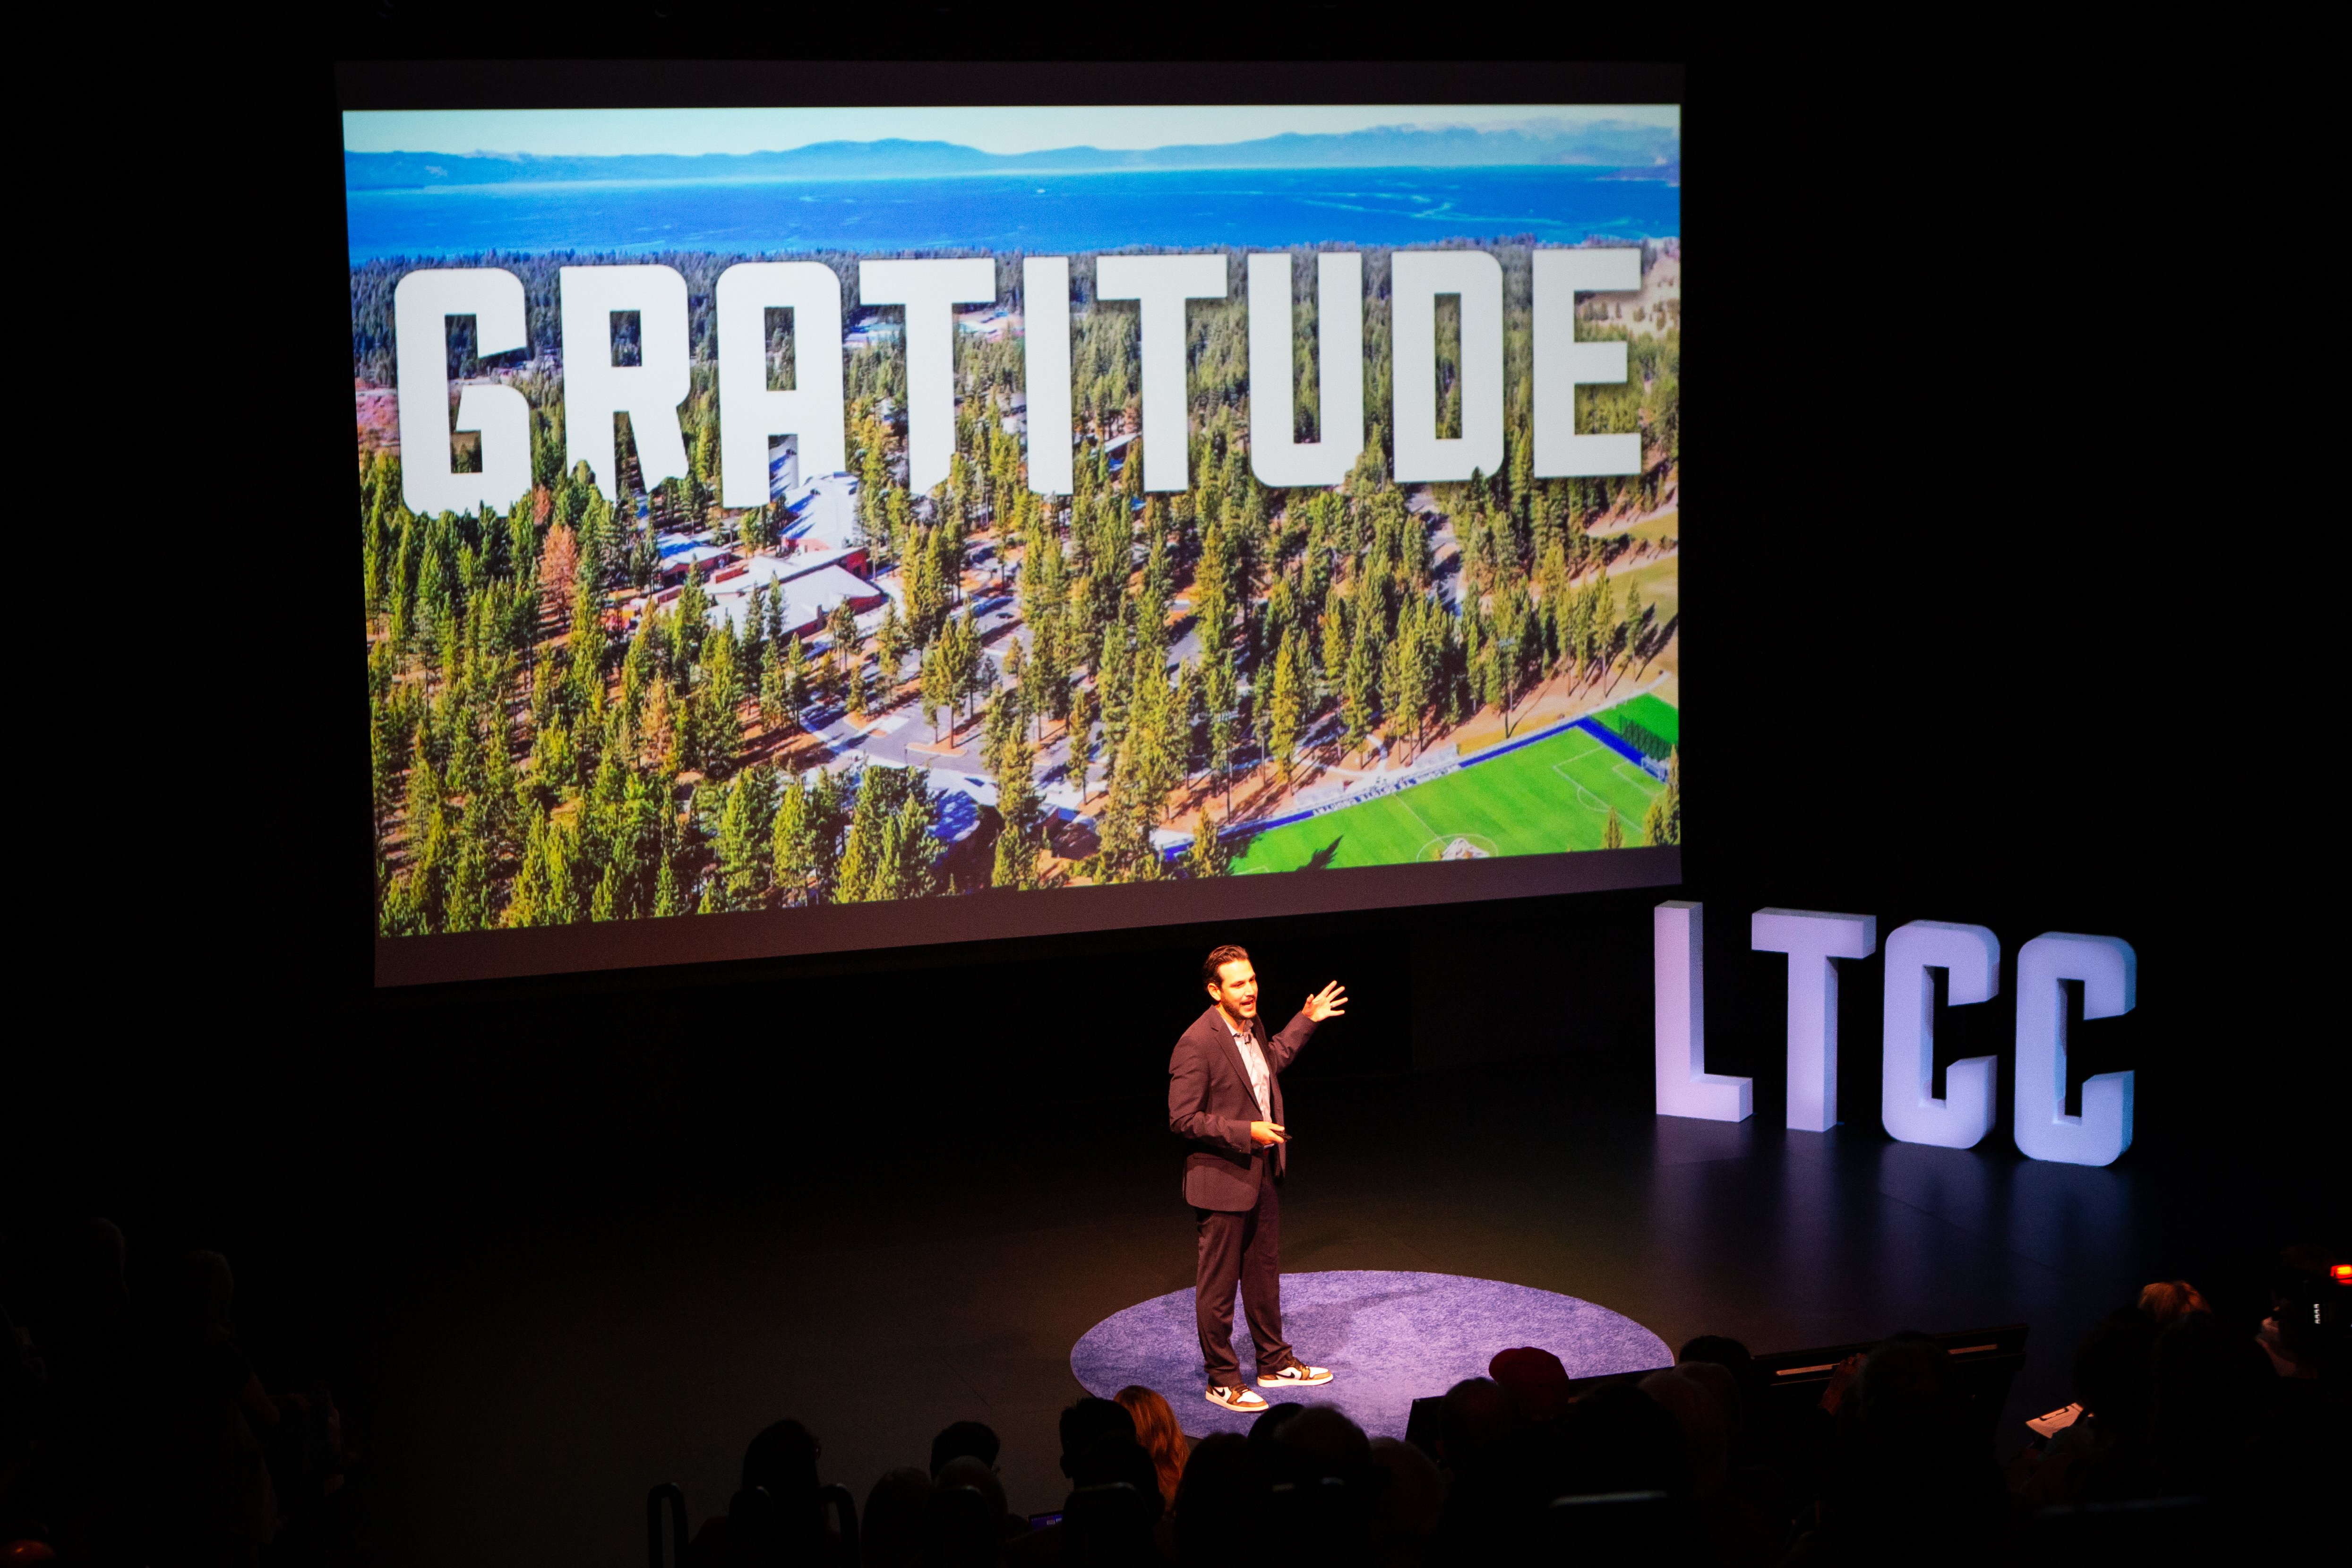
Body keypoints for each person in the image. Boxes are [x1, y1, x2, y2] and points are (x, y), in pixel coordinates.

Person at [1167, 944, 1347, 1412]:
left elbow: (1267, 1065)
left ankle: (1273, 1361)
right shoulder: (1196, 1042)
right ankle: (1222, 1379)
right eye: (1237, 983)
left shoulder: (1252, 1025)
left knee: (1264, 1277)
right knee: (1219, 1287)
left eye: (1251, 979)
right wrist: (1246, 1131)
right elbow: (1182, 1118)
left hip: (1260, 1171)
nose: (1249, 990)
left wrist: (1306, 1020)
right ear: (1214, 990)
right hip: (1221, 1177)